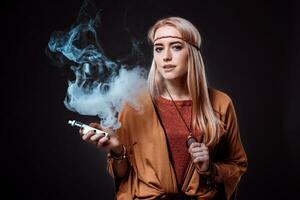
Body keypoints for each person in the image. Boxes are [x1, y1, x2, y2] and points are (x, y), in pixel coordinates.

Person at [81, 17, 248, 200]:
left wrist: (210, 169)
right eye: (159, 48)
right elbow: (124, 176)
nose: (166, 56)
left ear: (192, 52)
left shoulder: (220, 103)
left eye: (176, 47)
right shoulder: (134, 104)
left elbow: (236, 164)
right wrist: (117, 150)